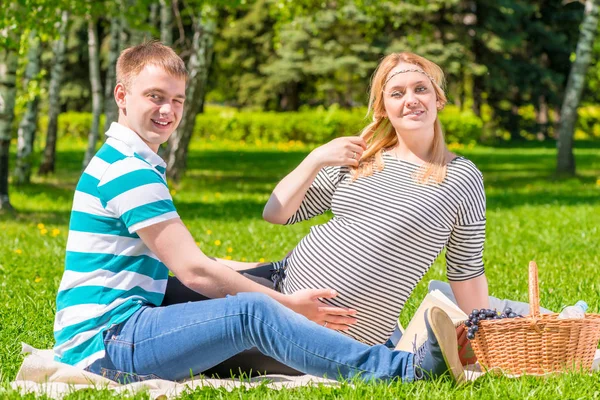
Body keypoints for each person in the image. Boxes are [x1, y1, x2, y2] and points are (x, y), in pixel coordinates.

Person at [52, 42, 465, 385]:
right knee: (253, 311)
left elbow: (184, 266)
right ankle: (400, 370)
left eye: (177, 100)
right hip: (108, 343)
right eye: (155, 97)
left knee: (226, 293)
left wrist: (248, 271)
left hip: (120, 326)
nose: (168, 111)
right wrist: (288, 304)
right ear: (122, 96)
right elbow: (196, 270)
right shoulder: (128, 173)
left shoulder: (128, 162)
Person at [259, 52, 490, 346]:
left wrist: (484, 337)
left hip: (333, 338)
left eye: (421, 88)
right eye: (397, 93)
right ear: (383, 108)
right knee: (182, 295)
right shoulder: (361, 160)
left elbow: (466, 270)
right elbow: (276, 213)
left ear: (438, 99)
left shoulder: (460, 176)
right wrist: (315, 159)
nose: (411, 99)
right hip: (279, 289)